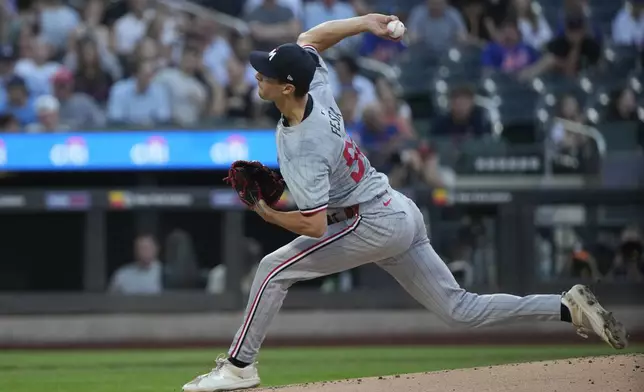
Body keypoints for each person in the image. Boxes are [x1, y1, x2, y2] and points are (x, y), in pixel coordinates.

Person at [181, 14, 628, 392]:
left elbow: (315, 227)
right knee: (460, 309)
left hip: (369, 221)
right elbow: (309, 40)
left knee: (272, 270)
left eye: (266, 75)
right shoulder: (313, 86)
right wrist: (366, 22)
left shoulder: (305, 143)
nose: (257, 75)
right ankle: (565, 307)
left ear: (285, 88)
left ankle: (240, 367)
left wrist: (265, 211)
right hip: (395, 209)